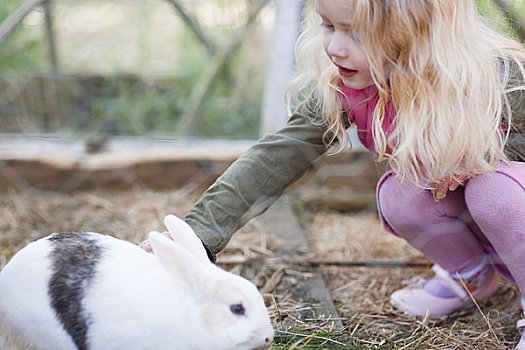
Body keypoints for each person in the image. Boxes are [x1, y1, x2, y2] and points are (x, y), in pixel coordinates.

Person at [153, 0, 525, 347]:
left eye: (356, 33)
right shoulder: (346, 87)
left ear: (419, 33)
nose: (334, 47)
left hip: (510, 206)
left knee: (492, 192)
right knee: (399, 194)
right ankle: (471, 277)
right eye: (328, 25)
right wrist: (197, 234)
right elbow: (276, 157)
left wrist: (478, 157)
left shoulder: (495, 77)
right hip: (467, 210)